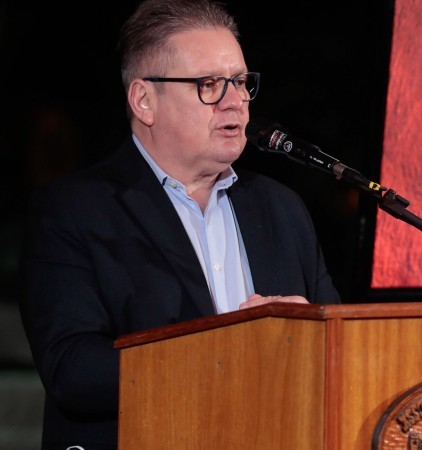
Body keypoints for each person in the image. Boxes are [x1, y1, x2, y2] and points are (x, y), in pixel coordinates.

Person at [19, 0, 341, 448]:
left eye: (242, 82)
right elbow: (74, 372)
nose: (236, 102)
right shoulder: (74, 210)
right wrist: (231, 348)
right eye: (209, 85)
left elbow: (337, 355)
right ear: (145, 101)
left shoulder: (280, 207)